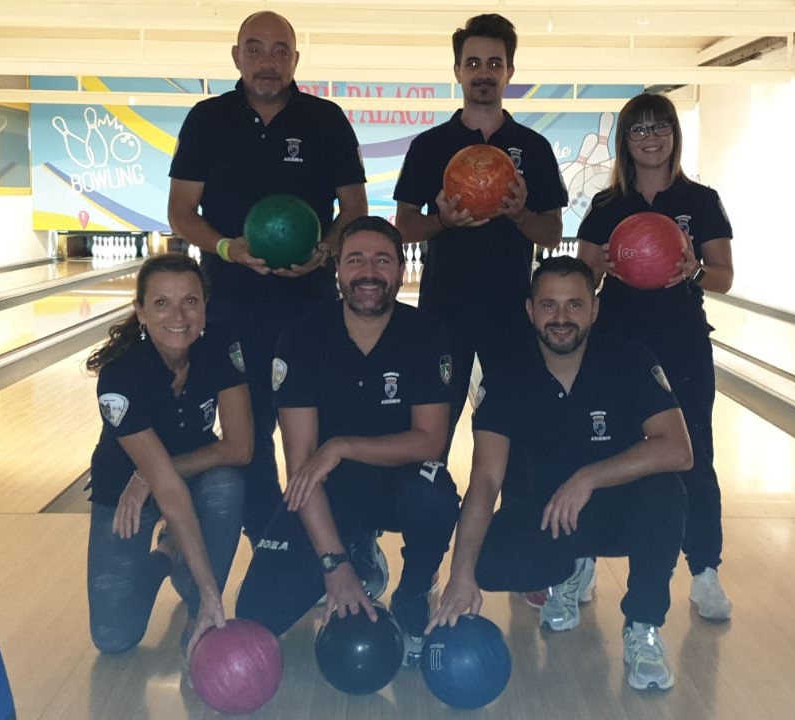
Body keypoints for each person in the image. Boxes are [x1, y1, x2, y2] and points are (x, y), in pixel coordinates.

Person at [167, 10, 370, 570]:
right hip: (230, 307)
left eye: (280, 50)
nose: (267, 61)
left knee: (327, 431)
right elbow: (181, 212)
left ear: (295, 60)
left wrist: (324, 251)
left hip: (312, 308)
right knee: (248, 434)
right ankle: (271, 547)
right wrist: (229, 248)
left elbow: (354, 210)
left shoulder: (326, 120)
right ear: (236, 56)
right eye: (255, 49)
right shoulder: (206, 120)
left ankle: (349, 540)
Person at [430, 257, 692, 690]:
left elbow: (679, 450)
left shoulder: (630, 360)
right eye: (549, 306)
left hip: (616, 508)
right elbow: (485, 481)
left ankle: (643, 625)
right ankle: (569, 570)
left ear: (594, 309)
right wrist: (460, 575)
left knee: (667, 491)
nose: (561, 318)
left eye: (574, 305)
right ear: (531, 311)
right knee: (490, 567)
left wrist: (588, 477)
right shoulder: (506, 377)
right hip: (545, 513)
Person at [235, 216, 461, 667]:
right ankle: (353, 549)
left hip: (398, 482)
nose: (369, 273)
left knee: (436, 495)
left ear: (401, 270)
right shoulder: (300, 337)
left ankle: (414, 590)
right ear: (338, 269)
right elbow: (301, 464)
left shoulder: (426, 333)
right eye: (356, 260)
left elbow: (431, 442)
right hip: (327, 491)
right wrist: (333, 564)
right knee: (257, 614)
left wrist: (340, 447)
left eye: (383, 260)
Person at [575, 92, 735, 621]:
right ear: (624, 141)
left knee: (695, 453)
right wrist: (601, 267)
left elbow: (724, 277)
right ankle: (586, 557)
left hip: (682, 341)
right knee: (607, 450)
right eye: (638, 129)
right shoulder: (605, 207)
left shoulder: (702, 200)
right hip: (617, 347)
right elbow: (583, 279)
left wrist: (691, 270)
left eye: (659, 127)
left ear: (673, 135)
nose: (650, 137)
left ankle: (705, 568)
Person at [394, 13, 567, 451]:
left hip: (512, 311)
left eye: (494, 63)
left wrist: (520, 214)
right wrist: (442, 222)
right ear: (457, 71)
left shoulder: (534, 147)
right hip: (442, 311)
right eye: (473, 64)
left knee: (513, 431)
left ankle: (516, 519)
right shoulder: (429, 146)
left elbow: (551, 234)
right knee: (433, 431)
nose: (483, 73)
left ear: (510, 70)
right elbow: (405, 226)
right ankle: (426, 515)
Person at [84, 253, 253, 664]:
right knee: (113, 637)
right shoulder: (119, 376)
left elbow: (240, 448)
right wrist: (146, 479)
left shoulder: (220, 344)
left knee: (227, 484)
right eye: (161, 303)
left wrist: (211, 594)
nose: (178, 316)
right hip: (122, 488)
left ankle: (199, 608)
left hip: (186, 476)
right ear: (140, 312)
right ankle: (167, 554)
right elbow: (167, 489)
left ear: (204, 306)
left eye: (190, 302)